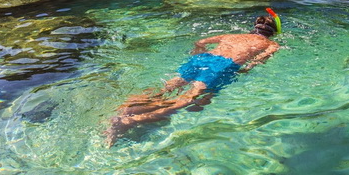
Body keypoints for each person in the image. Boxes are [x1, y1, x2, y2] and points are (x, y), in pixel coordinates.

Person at [105, 15, 281, 146]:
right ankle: (127, 122)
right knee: (186, 101)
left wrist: (197, 57)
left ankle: (124, 109)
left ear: (255, 27)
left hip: (203, 58)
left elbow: (201, 42)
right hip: (222, 66)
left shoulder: (231, 35)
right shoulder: (272, 45)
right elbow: (257, 61)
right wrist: (246, 70)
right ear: (272, 33)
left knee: (163, 89)